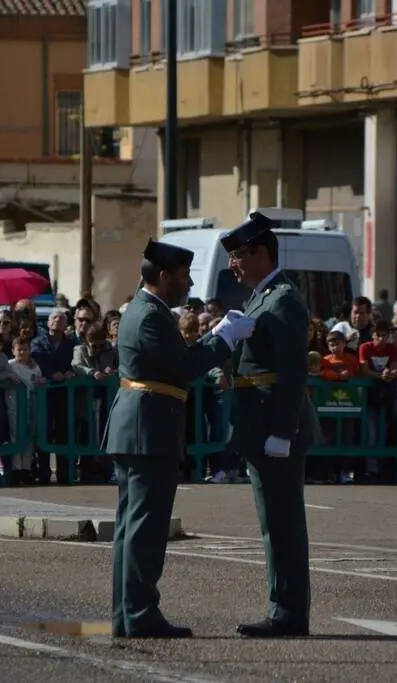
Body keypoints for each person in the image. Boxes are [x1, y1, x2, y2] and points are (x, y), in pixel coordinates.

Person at [105, 239, 254, 639]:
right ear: (165, 275)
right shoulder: (151, 314)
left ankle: (127, 613)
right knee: (145, 529)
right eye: (184, 275)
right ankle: (139, 614)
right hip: (147, 429)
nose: (189, 283)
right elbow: (184, 366)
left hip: (140, 427)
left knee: (132, 528)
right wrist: (224, 337)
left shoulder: (144, 309)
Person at [220, 211, 316, 638]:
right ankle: (284, 608)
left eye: (239, 255)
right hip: (258, 425)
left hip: (275, 429)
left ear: (261, 253)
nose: (232, 265)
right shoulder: (264, 297)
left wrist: (283, 431)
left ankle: (288, 614)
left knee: (282, 523)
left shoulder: (282, 299)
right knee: (273, 522)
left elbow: (293, 373)